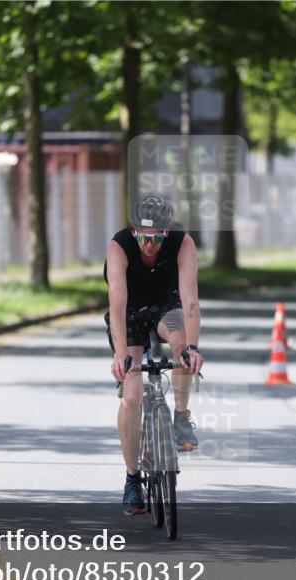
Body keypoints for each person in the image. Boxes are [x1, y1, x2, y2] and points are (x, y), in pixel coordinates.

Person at [104, 194, 204, 516]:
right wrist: (122, 356)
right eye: (144, 238)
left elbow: (190, 301)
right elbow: (117, 305)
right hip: (130, 312)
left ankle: (181, 417)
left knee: (181, 345)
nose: (150, 245)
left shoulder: (182, 244)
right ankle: (132, 479)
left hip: (165, 305)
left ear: (167, 232)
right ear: (134, 232)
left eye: (157, 238)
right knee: (131, 396)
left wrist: (192, 348)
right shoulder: (119, 247)